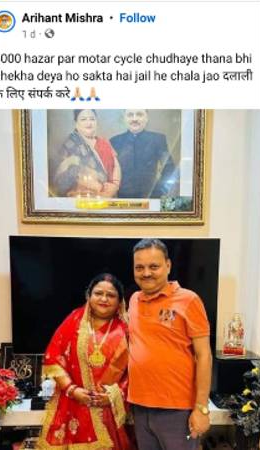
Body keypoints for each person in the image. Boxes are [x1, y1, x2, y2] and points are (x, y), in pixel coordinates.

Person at [128, 238, 212, 449]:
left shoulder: (189, 300)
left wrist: (201, 408)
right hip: (139, 406)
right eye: (139, 267)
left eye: (153, 266)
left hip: (177, 410)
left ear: (168, 265)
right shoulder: (134, 300)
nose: (146, 273)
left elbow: (204, 355)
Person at [39, 273, 134, 449]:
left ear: (120, 301)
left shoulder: (127, 331)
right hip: (75, 405)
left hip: (110, 411)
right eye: (98, 293)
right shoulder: (74, 322)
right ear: (88, 296)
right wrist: (72, 390)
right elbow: (53, 359)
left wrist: (115, 395)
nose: (104, 299)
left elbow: (135, 372)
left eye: (111, 295)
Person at [51, 109, 121, 198]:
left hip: (110, 194)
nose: (89, 123)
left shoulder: (104, 142)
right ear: (76, 123)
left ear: (96, 121)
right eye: (83, 119)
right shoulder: (70, 144)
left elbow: (116, 166)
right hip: (85, 197)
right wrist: (101, 189)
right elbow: (72, 174)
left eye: (92, 119)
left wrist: (115, 186)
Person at [110, 110, 179, 199]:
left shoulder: (157, 139)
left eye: (139, 114)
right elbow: (109, 172)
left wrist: (159, 191)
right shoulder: (114, 141)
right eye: (130, 115)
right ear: (124, 118)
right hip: (123, 198)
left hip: (150, 197)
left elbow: (169, 168)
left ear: (146, 118)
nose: (134, 119)